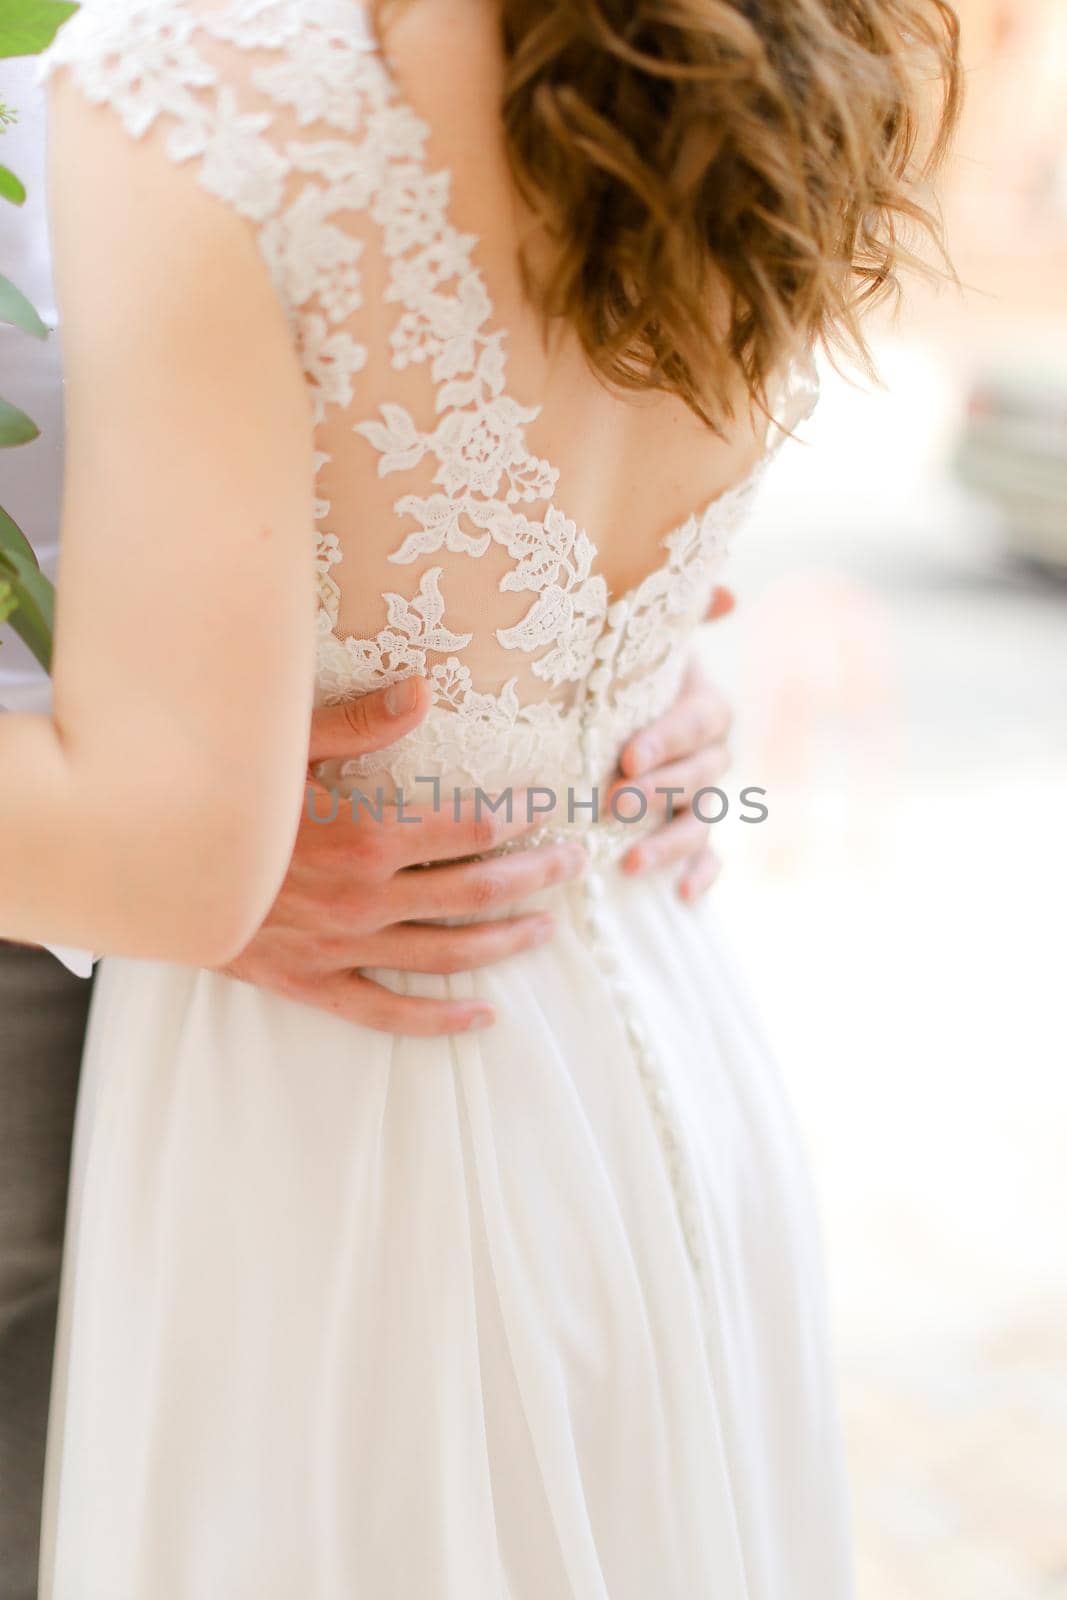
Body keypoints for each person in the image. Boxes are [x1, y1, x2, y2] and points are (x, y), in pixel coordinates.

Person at [1, 0, 960, 1594]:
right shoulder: (807, 44)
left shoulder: (187, 74)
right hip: (648, 1062)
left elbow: (165, 849)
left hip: (337, 1134)